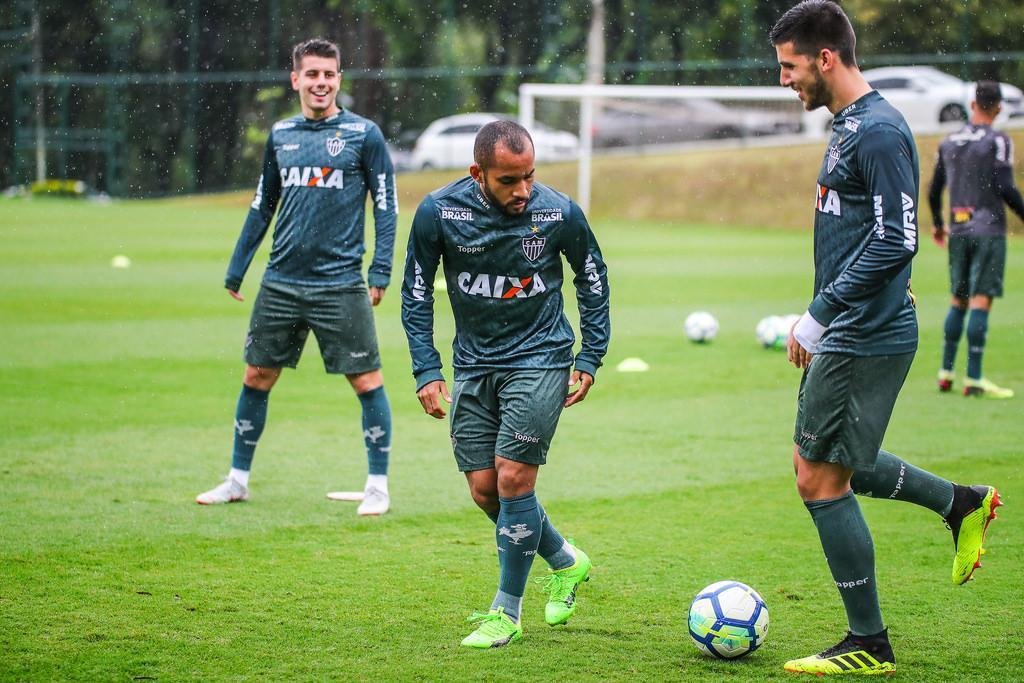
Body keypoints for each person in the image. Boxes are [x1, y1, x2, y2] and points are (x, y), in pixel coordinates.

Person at [771, 1, 1001, 675]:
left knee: (817, 475)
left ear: (825, 58)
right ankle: (960, 502)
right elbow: (871, 232)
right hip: (856, 321)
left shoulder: (877, 130)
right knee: (837, 458)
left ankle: (868, 642)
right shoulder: (849, 125)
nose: (784, 79)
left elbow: (897, 238)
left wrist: (821, 312)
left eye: (789, 66)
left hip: (861, 331)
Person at [400, 120, 610, 648]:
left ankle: (506, 612)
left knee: (514, 478)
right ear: (478, 173)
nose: (523, 190)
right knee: (485, 489)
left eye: (529, 176)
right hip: (473, 364)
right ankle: (565, 560)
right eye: (508, 180)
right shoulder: (438, 212)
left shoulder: (558, 213)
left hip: (541, 358)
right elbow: (416, 292)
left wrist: (590, 355)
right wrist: (426, 368)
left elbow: (592, 278)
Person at [195, 38, 398, 516]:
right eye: (312, 74)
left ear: (339, 79)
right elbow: (262, 204)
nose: (320, 82)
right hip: (281, 281)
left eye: (328, 74)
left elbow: (386, 207)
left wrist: (381, 269)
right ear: (296, 80)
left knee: (366, 379)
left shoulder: (364, 135)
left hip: (340, 283)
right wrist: (237, 266)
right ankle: (237, 480)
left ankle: (377, 487)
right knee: (256, 375)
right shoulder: (281, 134)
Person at [928, 80, 1024, 399]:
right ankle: (974, 377)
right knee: (981, 300)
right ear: (998, 108)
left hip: (958, 229)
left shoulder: (949, 140)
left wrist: (939, 224)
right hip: (988, 229)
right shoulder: (998, 140)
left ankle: (945, 372)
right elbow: (1007, 188)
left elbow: (934, 190)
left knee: (958, 299)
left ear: (972, 105)